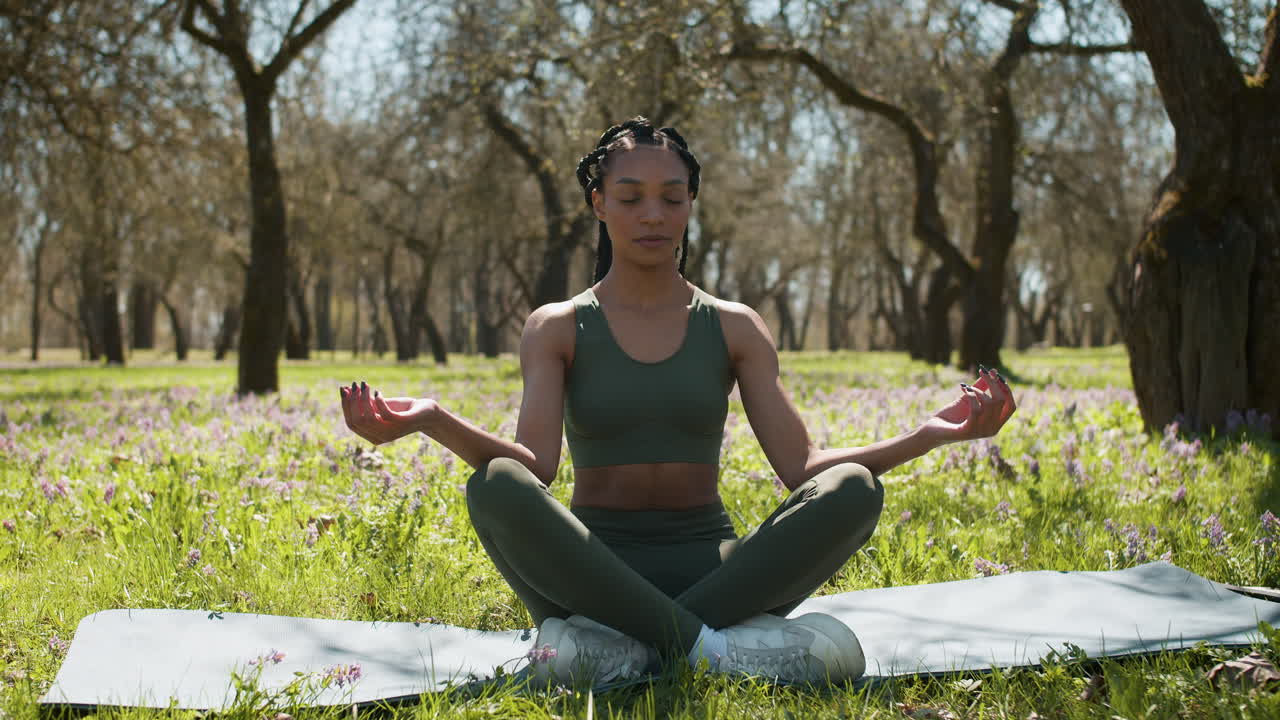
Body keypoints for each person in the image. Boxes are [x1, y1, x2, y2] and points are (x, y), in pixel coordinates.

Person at [340, 117, 1016, 687]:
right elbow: (534, 468)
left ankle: (628, 652)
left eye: (671, 196)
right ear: (598, 204)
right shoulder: (557, 326)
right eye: (630, 197)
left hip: (716, 570)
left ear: (692, 202)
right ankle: (716, 653)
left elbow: (804, 469)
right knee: (495, 485)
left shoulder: (733, 324)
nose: (653, 215)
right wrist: (430, 417)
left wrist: (932, 434)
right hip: (590, 573)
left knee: (854, 487)